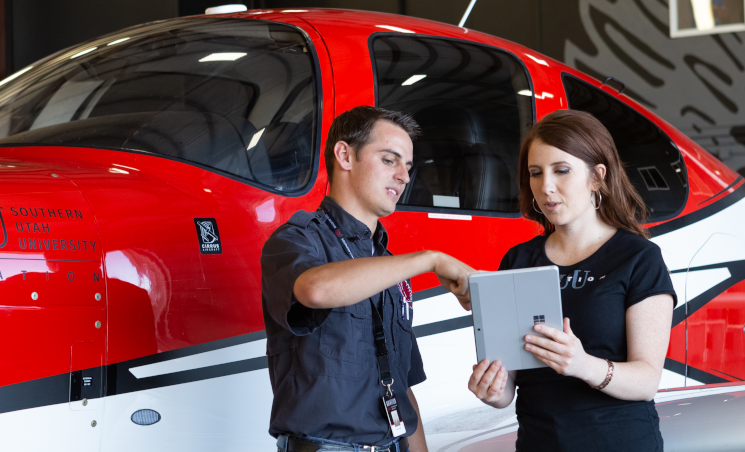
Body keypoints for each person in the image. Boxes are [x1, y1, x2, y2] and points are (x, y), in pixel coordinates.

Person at [261, 106, 477, 452]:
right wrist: (430, 259)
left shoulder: (388, 265)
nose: (404, 177)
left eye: (408, 166)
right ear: (345, 155)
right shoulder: (296, 240)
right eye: (390, 160)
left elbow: (402, 386)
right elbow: (315, 289)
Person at [465, 110, 677, 451]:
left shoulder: (638, 258)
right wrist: (491, 389)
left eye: (561, 170)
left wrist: (582, 365)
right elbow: (508, 388)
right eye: (536, 173)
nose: (546, 186)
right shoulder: (517, 261)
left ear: (597, 176)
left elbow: (647, 381)